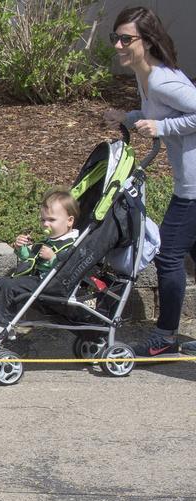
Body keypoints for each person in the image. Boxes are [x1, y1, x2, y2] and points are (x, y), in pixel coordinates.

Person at [102, 7, 196, 358]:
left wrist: (163, 129)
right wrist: (126, 117)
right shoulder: (146, 77)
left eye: (127, 39)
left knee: (169, 255)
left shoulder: (160, 79)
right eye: (116, 38)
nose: (119, 45)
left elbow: (179, 117)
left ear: (147, 40)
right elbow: (161, 113)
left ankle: (166, 335)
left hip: (194, 187)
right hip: (189, 182)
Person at [0, 190, 81, 341]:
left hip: (52, 286)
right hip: (36, 281)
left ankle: (2, 325)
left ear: (69, 221)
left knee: (11, 286)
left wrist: (53, 258)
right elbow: (30, 258)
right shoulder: (49, 240)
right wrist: (20, 248)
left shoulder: (73, 245)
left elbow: (70, 268)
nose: (45, 224)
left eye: (51, 220)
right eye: (43, 220)